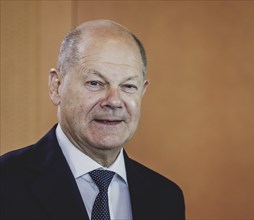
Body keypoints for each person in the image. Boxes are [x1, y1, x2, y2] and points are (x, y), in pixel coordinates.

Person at [0, 20, 185, 220]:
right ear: (56, 87)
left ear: (142, 92)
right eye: (95, 83)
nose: (114, 101)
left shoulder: (166, 197)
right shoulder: (6, 183)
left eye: (128, 86)